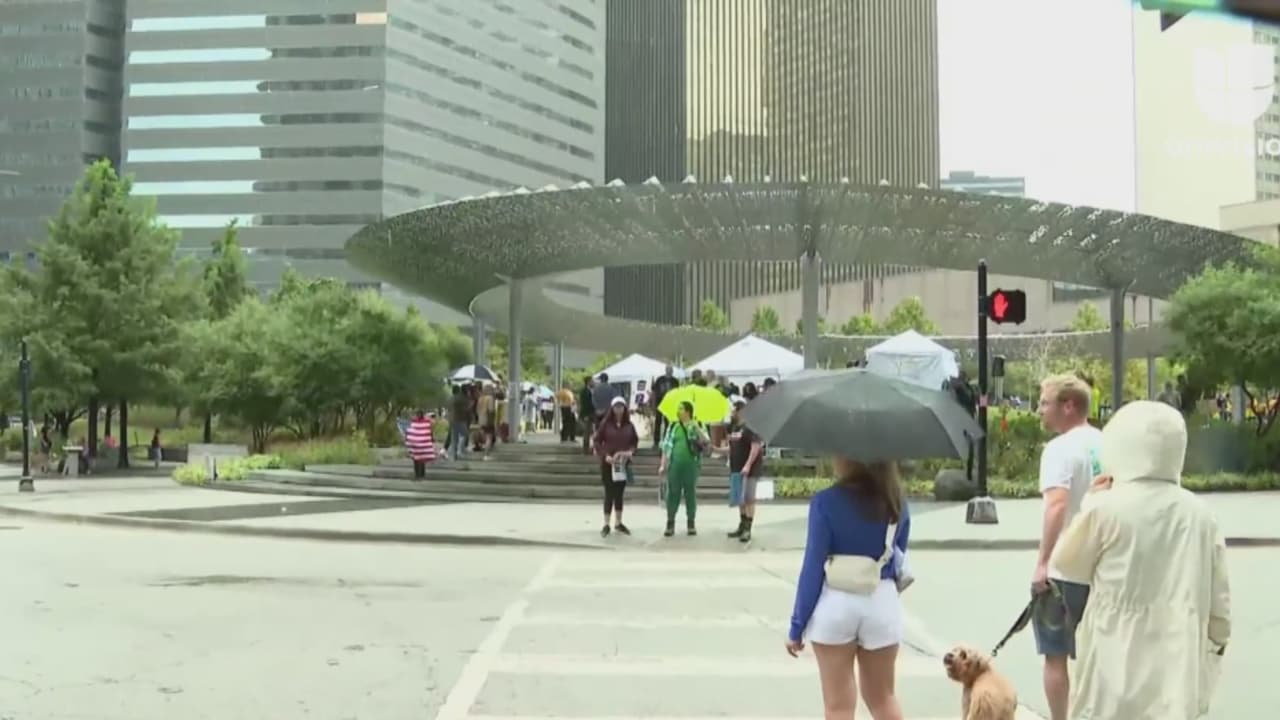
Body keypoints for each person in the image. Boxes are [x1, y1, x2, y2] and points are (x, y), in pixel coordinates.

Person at [1051, 401, 1231, 720]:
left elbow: (1067, 563)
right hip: (1179, 646)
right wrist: (1215, 645)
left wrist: (1091, 502)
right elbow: (1219, 598)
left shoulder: (1106, 508)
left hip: (1114, 645)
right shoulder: (1201, 515)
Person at [786, 458, 910, 720]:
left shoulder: (825, 502)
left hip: (836, 602)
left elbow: (813, 567)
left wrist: (797, 627)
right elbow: (899, 557)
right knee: (883, 699)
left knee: (838, 706)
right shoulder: (896, 503)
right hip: (881, 600)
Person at [1033, 374, 1102, 720]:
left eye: (1045, 403)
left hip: (1065, 566)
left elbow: (1057, 505)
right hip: (1105, 565)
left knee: (1055, 653)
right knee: (1101, 652)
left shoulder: (1059, 449)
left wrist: (1042, 563)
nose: (1039, 410)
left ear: (1069, 406)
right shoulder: (1107, 444)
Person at [657, 400, 710, 537]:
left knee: (690, 493)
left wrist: (696, 427)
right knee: (672, 493)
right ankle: (670, 523)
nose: (678, 411)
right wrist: (663, 464)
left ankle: (691, 523)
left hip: (692, 466)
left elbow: (706, 442)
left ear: (688, 411)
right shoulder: (673, 426)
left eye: (681, 409)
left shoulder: (698, 424)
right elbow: (666, 447)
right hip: (674, 466)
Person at [593, 396, 638, 537]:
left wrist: (630, 452)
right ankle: (606, 523)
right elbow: (597, 441)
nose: (618, 410)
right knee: (609, 493)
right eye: (616, 407)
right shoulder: (606, 424)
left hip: (622, 464)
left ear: (625, 409)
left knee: (619, 493)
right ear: (612, 409)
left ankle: (618, 522)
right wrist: (605, 455)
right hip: (608, 463)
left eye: (621, 407)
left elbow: (634, 442)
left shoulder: (629, 426)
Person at [723, 399, 764, 543]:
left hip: (749, 470)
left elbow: (756, 447)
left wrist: (747, 465)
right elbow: (732, 448)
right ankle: (741, 525)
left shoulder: (750, 427)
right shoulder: (735, 428)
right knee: (740, 500)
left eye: (734, 410)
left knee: (748, 499)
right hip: (736, 468)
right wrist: (717, 450)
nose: (732, 413)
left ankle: (748, 529)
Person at [650, 365, 679, 448]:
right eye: (668, 369)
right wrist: (654, 405)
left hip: (670, 405)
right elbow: (654, 391)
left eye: (671, 370)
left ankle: (666, 441)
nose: (669, 371)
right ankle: (656, 441)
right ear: (665, 370)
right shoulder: (660, 379)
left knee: (668, 424)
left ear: (672, 371)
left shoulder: (675, 381)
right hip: (660, 404)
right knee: (658, 422)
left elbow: (677, 393)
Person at [405, 410, 435, 479]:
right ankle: (419, 474)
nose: (418, 415)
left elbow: (428, 431)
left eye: (418, 414)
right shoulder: (418, 422)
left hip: (419, 445)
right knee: (419, 460)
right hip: (418, 444)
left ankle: (419, 474)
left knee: (419, 460)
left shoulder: (421, 422)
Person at [447, 385, 471, 461]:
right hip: (459, 419)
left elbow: (448, 408)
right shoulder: (460, 398)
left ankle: (453, 455)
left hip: (451, 419)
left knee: (454, 437)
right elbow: (464, 409)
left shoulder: (450, 398)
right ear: (458, 390)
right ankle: (459, 451)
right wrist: (470, 406)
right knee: (465, 434)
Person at [578, 375, 595, 455]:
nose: (593, 382)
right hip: (586, 415)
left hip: (588, 414)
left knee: (588, 432)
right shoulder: (585, 391)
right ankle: (585, 450)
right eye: (592, 381)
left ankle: (586, 449)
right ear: (588, 382)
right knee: (586, 433)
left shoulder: (588, 390)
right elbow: (585, 404)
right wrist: (586, 415)